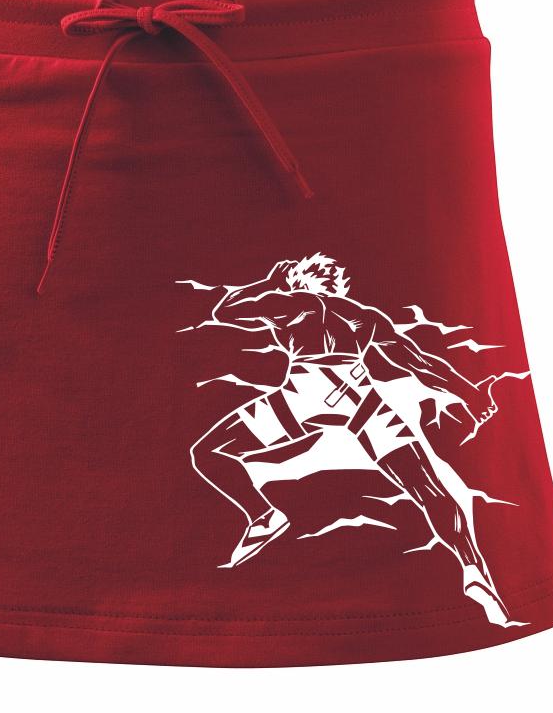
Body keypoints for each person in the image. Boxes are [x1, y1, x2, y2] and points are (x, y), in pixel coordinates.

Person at [188, 255, 518, 627]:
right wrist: (469, 393)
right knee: (427, 487)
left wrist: (269, 282)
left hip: (304, 392)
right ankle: (473, 567)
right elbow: (420, 363)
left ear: (299, 280)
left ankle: (265, 515)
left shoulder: (296, 302)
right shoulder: (367, 317)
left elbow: (225, 311)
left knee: (207, 452)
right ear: (338, 285)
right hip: (359, 396)